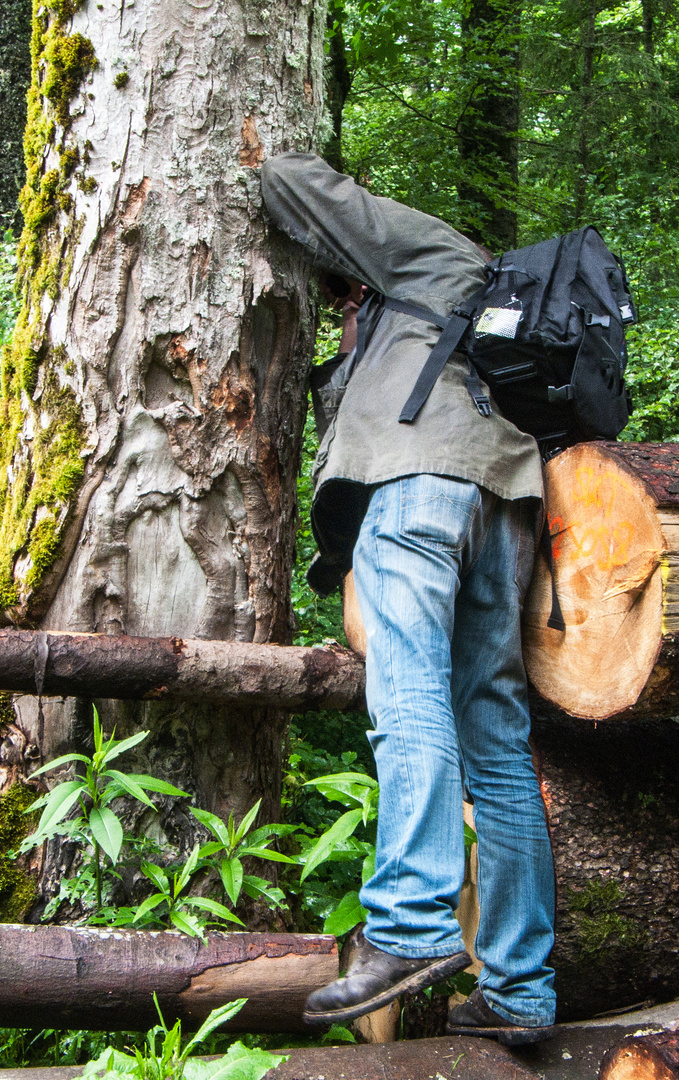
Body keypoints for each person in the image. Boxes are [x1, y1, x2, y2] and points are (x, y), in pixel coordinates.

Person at [260, 153, 557, 1046]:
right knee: (498, 744)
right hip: (505, 505)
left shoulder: (433, 255)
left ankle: (409, 925)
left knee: (408, 698)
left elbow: (292, 185)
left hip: (420, 488)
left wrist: (265, 147)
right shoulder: (468, 317)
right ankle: (519, 990)